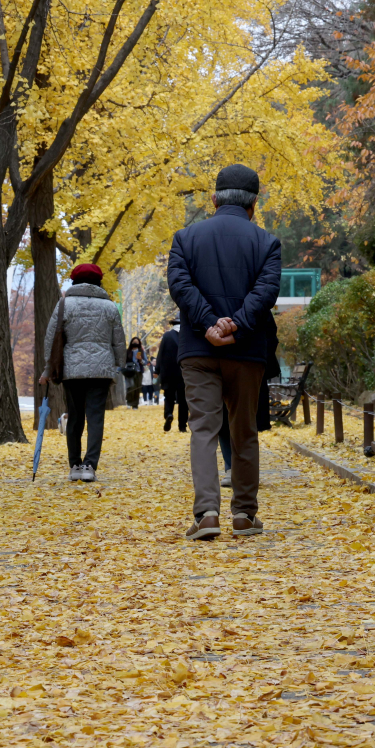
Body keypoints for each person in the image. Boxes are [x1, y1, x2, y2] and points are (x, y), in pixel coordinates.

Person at [168, 163, 282, 540]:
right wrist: (236, 326)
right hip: (246, 351)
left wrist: (208, 324)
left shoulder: (185, 238)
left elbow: (180, 286)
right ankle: (244, 515)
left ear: (214, 199)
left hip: (198, 349)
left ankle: (207, 514)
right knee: (244, 430)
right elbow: (265, 292)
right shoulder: (267, 243)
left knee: (203, 428)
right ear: (254, 205)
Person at [41, 263, 126, 483]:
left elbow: (51, 339)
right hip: (101, 369)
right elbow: (118, 339)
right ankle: (90, 466)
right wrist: (119, 365)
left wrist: (48, 369)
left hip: (72, 370)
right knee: (95, 417)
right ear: (99, 282)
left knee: (75, 417)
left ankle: (75, 465)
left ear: (74, 281)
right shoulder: (109, 306)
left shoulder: (64, 304)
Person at [157, 318, 187, 431]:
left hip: (168, 372)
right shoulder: (186, 335)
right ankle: (182, 426)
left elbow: (160, 354)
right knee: (183, 399)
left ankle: (168, 414)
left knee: (169, 396)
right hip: (183, 371)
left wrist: (157, 370)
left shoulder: (167, 336)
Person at [124, 337, 147, 408]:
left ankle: (135, 405)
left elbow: (145, 362)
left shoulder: (141, 351)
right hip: (130, 372)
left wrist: (140, 359)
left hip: (138, 372)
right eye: (134, 341)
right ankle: (129, 402)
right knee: (130, 387)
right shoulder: (128, 351)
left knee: (137, 388)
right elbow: (123, 361)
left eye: (137, 342)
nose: (135, 343)